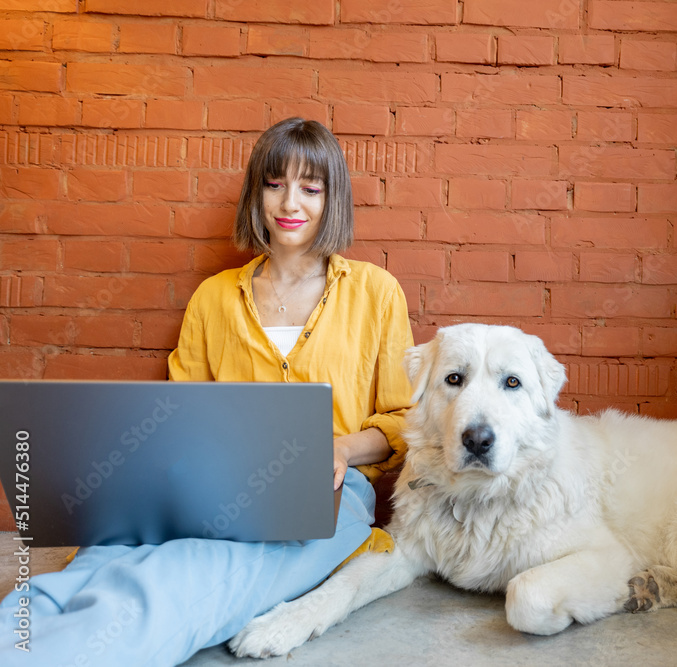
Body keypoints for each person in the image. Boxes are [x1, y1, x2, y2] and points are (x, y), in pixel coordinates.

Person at [0, 117, 413, 666]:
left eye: (311, 188)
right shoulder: (214, 299)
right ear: (256, 193)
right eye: (275, 184)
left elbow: (406, 423)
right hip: (210, 488)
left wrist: (338, 447)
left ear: (331, 197)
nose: (291, 202)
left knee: (182, 580)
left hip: (326, 495)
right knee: (94, 564)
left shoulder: (375, 293)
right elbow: (179, 417)